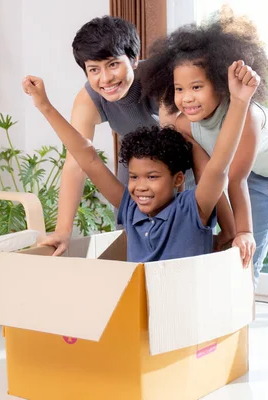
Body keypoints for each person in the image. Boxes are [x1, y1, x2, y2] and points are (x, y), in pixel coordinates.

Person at [140, 10, 268, 381]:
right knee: (243, 261)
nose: (186, 98)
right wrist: (233, 234)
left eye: (196, 87)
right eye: (179, 89)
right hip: (255, 179)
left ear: (218, 82)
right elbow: (210, 177)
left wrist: (241, 228)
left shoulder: (245, 116)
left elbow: (235, 179)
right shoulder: (185, 125)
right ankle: (232, 346)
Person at [22, 59, 259, 262]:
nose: (140, 186)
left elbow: (218, 166)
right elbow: (88, 158)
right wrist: (45, 106)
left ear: (178, 179)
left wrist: (239, 102)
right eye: (134, 176)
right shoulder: (130, 207)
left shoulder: (192, 208)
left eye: (152, 177)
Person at [38, 15, 236, 256]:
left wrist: (228, 226)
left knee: (182, 232)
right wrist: (63, 231)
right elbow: (78, 163)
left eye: (113, 64)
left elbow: (198, 159)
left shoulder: (160, 81)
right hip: (135, 159)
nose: (105, 78)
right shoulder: (88, 99)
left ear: (133, 60)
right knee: (131, 227)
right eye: (94, 69)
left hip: (178, 159)